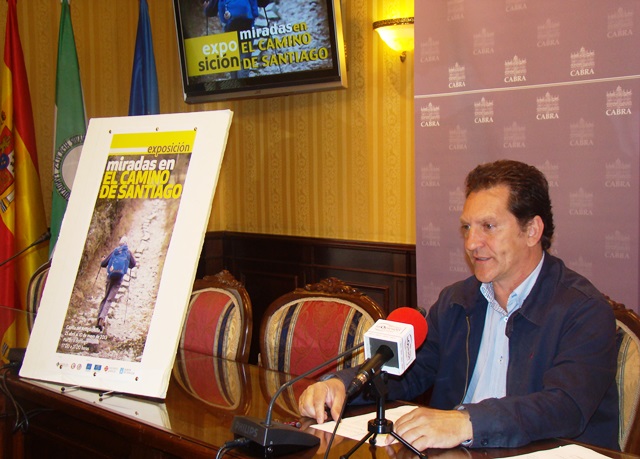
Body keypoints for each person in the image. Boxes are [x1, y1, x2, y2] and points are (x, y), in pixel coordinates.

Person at [298, 159, 619, 451]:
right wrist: (342, 385)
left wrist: (467, 422)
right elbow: (406, 372)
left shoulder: (584, 311)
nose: (471, 243)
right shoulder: (457, 301)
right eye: (467, 227)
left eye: (488, 227)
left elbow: (564, 407)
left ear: (532, 230)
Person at [96, 236, 136, 332]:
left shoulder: (115, 251)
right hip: (119, 278)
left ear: (120, 243)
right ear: (126, 244)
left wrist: (103, 259)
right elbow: (133, 264)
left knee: (105, 297)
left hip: (110, 277)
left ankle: (98, 319)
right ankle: (102, 318)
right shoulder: (128, 252)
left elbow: (103, 264)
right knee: (109, 299)